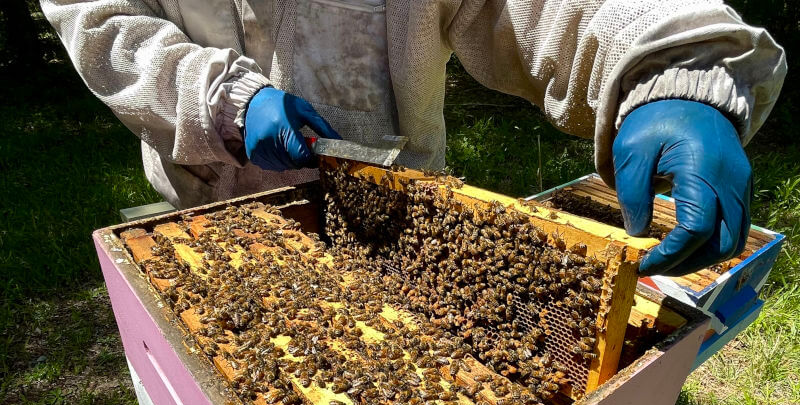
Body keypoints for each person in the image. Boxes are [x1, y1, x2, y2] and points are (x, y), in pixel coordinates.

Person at [41, 0, 785, 276]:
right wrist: (219, 100)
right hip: (216, 214)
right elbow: (100, 20)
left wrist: (673, 70)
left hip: (400, 223)